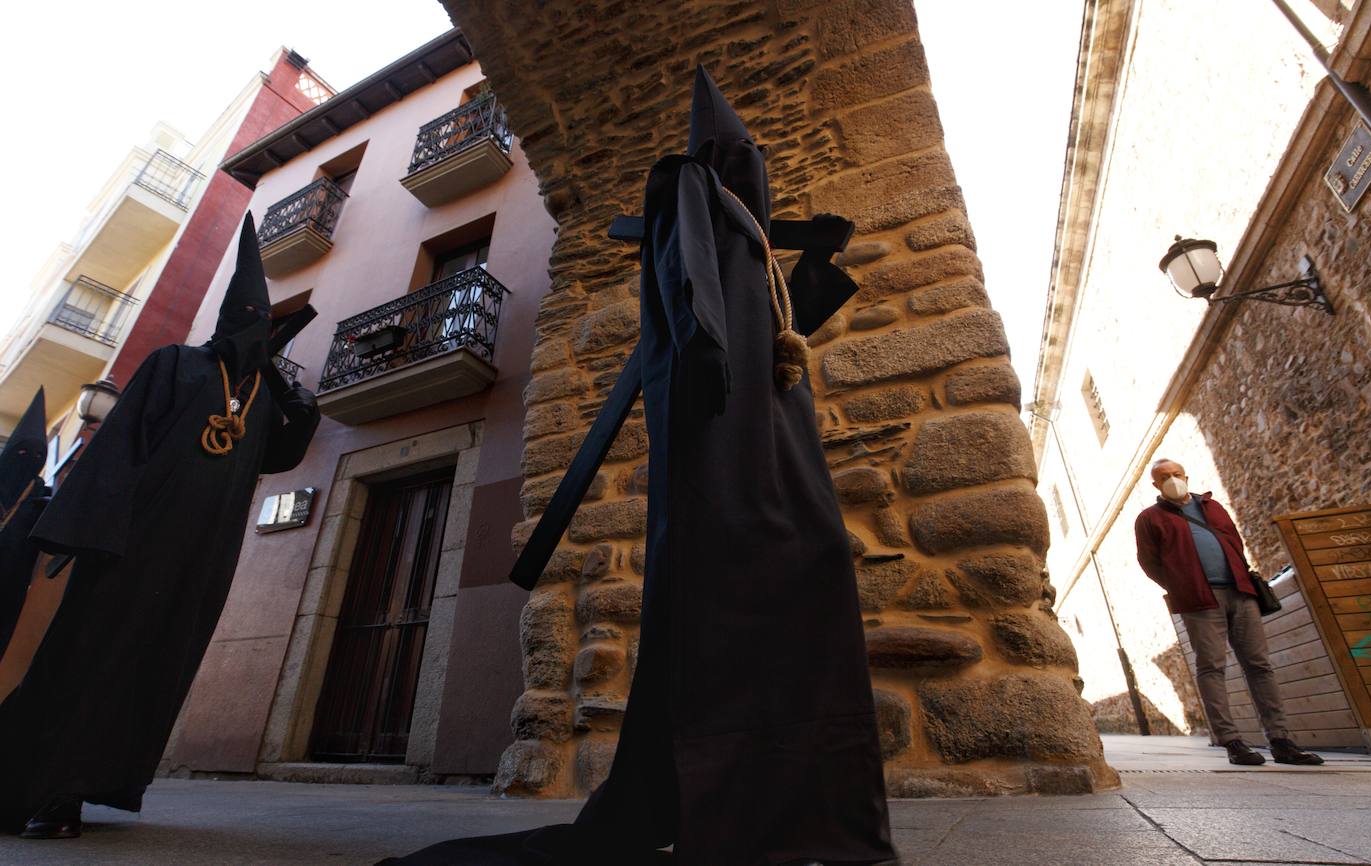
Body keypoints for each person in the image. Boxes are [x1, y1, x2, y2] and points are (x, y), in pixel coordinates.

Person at [379, 66, 896, 866]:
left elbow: (789, 315)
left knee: (818, 563)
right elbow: (691, 281)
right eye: (743, 154)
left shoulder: (754, 236)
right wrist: (710, 356)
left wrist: (817, 258)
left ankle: (812, 806)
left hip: (775, 415)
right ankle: (737, 805)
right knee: (738, 584)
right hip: (719, 417)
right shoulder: (691, 187)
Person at [0, 214, 321, 838]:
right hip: (134, 546)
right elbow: (119, 446)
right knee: (90, 659)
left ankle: (96, 783)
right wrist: (86, 535)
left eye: (264, 319)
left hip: (201, 557)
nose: (256, 326)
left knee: (151, 671)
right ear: (230, 317)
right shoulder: (176, 365)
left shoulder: (257, 400)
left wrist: (287, 389)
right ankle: (47, 789)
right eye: (248, 314)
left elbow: (282, 453)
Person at [1134, 458, 1323, 766]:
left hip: (1241, 592)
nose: (1172, 479)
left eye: (1176, 474)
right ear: (1155, 485)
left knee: (1259, 665)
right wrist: (1182, 586)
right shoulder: (1149, 519)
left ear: (1186, 475)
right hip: (1200, 600)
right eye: (1164, 477)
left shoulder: (1213, 507)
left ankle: (1281, 740)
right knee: (1211, 668)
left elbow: (1234, 542)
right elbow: (1149, 562)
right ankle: (1232, 741)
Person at [0, 388, 50, 658]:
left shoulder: (40, 502)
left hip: (7, 594)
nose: (29, 459)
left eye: (37, 455)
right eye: (21, 453)